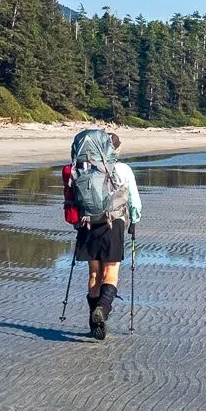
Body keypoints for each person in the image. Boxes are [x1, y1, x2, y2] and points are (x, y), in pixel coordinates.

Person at [72, 130, 141, 339]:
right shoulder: (122, 169)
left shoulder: (84, 168)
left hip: (87, 223)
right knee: (111, 271)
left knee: (94, 274)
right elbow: (134, 200)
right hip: (113, 223)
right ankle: (102, 309)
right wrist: (134, 221)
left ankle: (95, 324)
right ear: (116, 150)